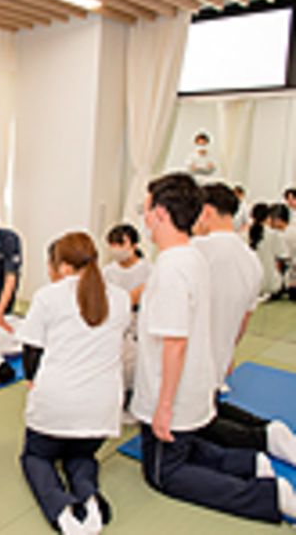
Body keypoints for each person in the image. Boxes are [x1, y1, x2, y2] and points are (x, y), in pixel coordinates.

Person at [130, 173, 296, 526]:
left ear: (160, 213)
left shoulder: (173, 267)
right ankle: (251, 463)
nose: (142, 218)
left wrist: (163, 408)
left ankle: (268, 494)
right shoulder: (191, 256)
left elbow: (174, 343)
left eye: (144, 210)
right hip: (195, 385)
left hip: (173, 392)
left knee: (164, 473)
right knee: (185, 448)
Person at [17, 233, 130, 535]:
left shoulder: (48, 296)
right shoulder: (119, 298)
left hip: (56, 407)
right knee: (80, 456)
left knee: (36, 457)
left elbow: (31, 351)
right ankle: (89, 499)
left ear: (64, 266)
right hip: (102, 412)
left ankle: (63, 511)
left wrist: (32, 381)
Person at [192, 184, 296, 465]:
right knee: (209, 409)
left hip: (192, 358)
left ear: (207, 212)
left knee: (192, 424)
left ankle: (263, 439)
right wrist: (228, 352)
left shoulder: (196, 250)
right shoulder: (249, 258)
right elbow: (244, 319)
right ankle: (270, 428)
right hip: (221, 351)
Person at [103, 224, 152, 421]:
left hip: (140, 326)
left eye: (120, 244)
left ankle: (136, 405)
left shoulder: (148, 269)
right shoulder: (108, 272)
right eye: (112, 244)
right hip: (116, 326)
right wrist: (133, 295)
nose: (116, 249)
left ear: (134, 245)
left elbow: (139, 299)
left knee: (140, 369)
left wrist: (129, 298)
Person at [249, 203, 289, 299]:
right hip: (272, 286)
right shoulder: (274, 235)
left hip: (251, 288)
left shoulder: (243, 235)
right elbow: (283, 258)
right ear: (269, 218)